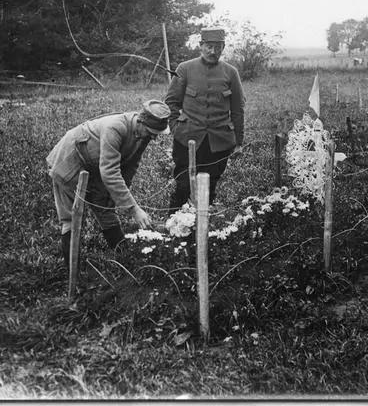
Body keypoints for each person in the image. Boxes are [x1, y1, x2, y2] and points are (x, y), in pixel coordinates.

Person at [46, 100, 170, 267]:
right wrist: (134, 210)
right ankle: (73, 273)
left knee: (106, 207)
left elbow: (130, 166)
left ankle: (124, 260)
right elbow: (110, 173)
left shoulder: (142, 134)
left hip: (96, 166)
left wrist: (120, 199)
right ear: (141, 121)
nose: (154, 137)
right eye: (152, 132)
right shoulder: (116, 127)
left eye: (157, 133)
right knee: (73, 218)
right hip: (70, 161)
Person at [165, 27, 245, 212]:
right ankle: (174, 223)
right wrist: (176, 127)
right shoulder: (185, 69)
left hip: (219, 142)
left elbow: (238, 109)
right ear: (201, 46)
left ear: (223, 47)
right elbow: (171, 102)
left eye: (218, 47)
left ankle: (203, 228)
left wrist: (238, 142)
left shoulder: (231, 72)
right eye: (209, 46)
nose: (213, 51)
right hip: (187, 138)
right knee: (183, 184)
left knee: (209, 186)